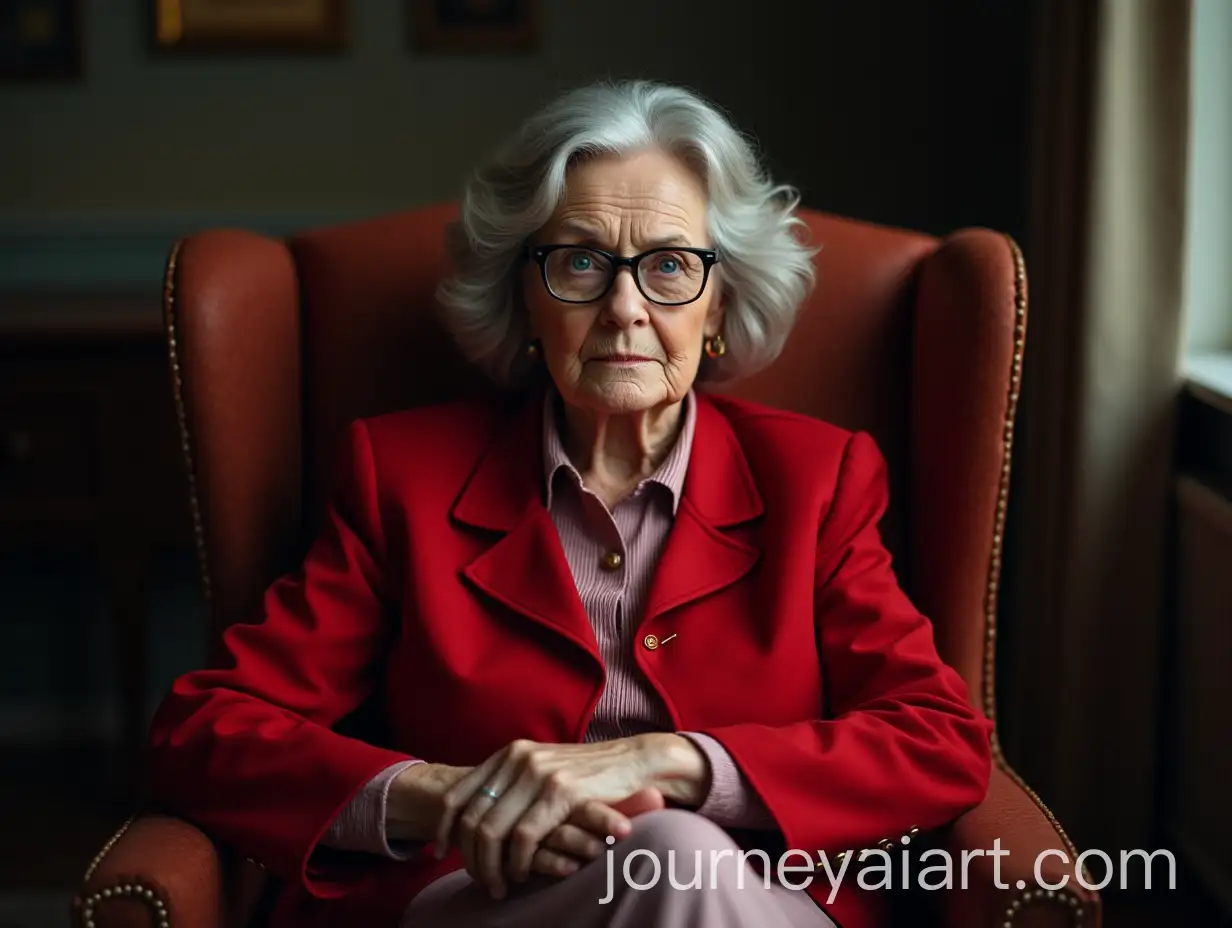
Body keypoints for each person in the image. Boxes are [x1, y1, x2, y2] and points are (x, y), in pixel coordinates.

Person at [146, 79, 993, 928]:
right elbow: (205, 733)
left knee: (679, 854)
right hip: (488, 902)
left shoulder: (818, 479)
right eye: (580, 261)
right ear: (524, 298)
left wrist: (666, 763)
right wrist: (444, 798)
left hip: (748, 898)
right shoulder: (402, 476)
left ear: (720, 305)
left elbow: (938, 740)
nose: (624, 309)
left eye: (670, 265)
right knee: (675, 856)